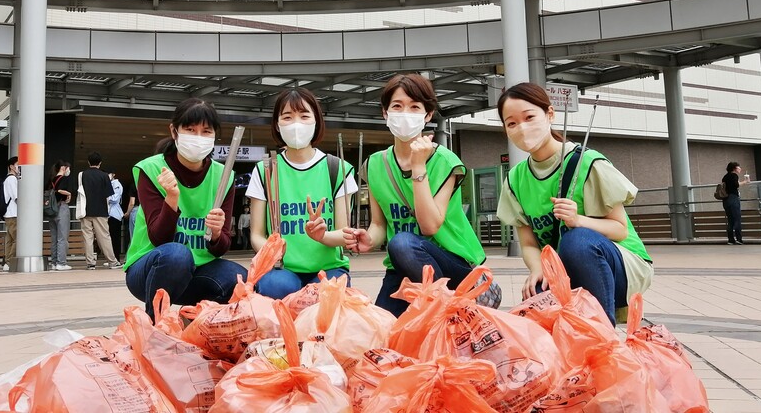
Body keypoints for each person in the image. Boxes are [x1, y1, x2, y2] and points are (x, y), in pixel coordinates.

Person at [495, 82, 653, 326]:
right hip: (565, 265)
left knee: (576, 240)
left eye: (529, 117)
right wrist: (537, 269)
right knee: (537, 290)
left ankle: (602, 339)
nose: (522, 128)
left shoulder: (587, 163)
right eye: (512, 123)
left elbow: (620, 229)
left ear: (549, 114)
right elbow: (527, 243)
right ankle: (572, 348)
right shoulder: (515, 179)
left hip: (621, 265)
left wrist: (578, 220)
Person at [347, 73, 487, 317]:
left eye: (414, 107)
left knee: (402, 242)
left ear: (428, 115)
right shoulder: (375, 164)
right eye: (397, 106)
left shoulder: (444, 161)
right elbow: (380, 223)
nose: (405, 113)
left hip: (453, 263)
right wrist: (369, 238)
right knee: (385, 330)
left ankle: (446, 313)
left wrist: (418, 166)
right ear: (385, 113)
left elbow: (430, 225)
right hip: (403, 264)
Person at [125, 98, 246, 319]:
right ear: (174, 131)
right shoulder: (151, 169)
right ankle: (156, 326)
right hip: (150, 268)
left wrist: (217, 233)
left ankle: (198, 326)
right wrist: (171, 199)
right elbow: (159, 238)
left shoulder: (223, 176)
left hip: (198, 272)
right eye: (190, 130)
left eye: (206, 131)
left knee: (238, 278)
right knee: (178, 255)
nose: (198, 138)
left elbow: (220, 249)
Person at [246, 88, 357, 299]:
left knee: (322, 297)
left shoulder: (338, 169)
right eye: (287, 117)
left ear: (316, 122)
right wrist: (274, 249)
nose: (296, 124)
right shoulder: (265, 170)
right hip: (282, 268)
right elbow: (256, 235)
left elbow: (344, 234)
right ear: (277, 125)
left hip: (329, 268)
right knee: (276, 287)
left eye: (304, 116)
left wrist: (321, 235)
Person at [80, 152, 119, 270]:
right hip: (101, 210)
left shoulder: (82, 175)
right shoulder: (104, 176)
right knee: (104, 236)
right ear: (100, 163)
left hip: (85, 210)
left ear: (88, 162)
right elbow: (109, 194)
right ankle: (112, 261)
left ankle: (90, 263)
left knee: (87, 236)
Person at [47, 161, 73, 271]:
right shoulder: (64, 179)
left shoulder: (50, 180)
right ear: (63, 168)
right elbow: (60, 190)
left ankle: (53, 262)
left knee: (54, 238)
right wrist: (69, 194)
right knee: (62, 238)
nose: (68, 170)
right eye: (67, 168)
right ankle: (61, 263)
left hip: (51, 211)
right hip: (61, 208)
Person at [722, 162, 751, 245]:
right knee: (737, 219)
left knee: (730, 220)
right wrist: (745, 181)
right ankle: (739, 239)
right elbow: (736, 185)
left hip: (726, 200)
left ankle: (731, 239)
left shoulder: (725, 176)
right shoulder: (734, 175)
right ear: (734, 168)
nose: (740, 168)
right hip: (733, 199)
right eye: (739, 167)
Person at [1, 156, 19, 272]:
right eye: (18, 165)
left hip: (9, 214)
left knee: (10, 240)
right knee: (18, 238)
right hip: (13, 214)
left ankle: (7, 262)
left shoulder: (8, 179)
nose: (19, 168)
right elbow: (16, 196)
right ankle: (9, 261)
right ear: (11, 166)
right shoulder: (12, 179)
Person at [107, 170, 124, 261]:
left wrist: (105, 197)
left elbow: (115, 199)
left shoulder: (116, 184)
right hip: (109, 214)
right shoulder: (108, 184)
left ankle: (116, 258)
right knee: (109, 238)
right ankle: (111, 258)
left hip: (115, 215)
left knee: (115, 238)